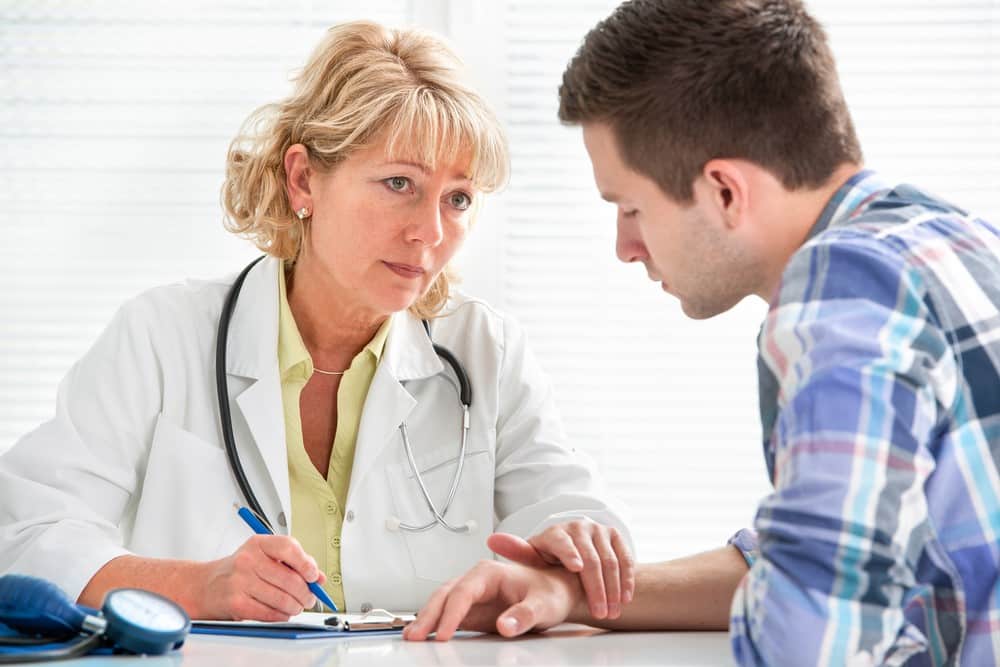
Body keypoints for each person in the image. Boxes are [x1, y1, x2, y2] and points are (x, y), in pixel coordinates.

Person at [403, 1, 1000, 664]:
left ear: (724, 191)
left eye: (631, 207)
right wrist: (570, 593)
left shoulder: (843, 294)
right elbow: (805, 564)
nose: (626, 246)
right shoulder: (956, 242)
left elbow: (812, 639)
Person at [0, 20, 635, 622]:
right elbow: (29, 536)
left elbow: (574, 516)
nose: (430, 232)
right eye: (398, 183)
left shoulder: (485, 352)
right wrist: (199, 586)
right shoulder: (162, 335)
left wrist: (578, 540)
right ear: (304, 179)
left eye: (458, 198)